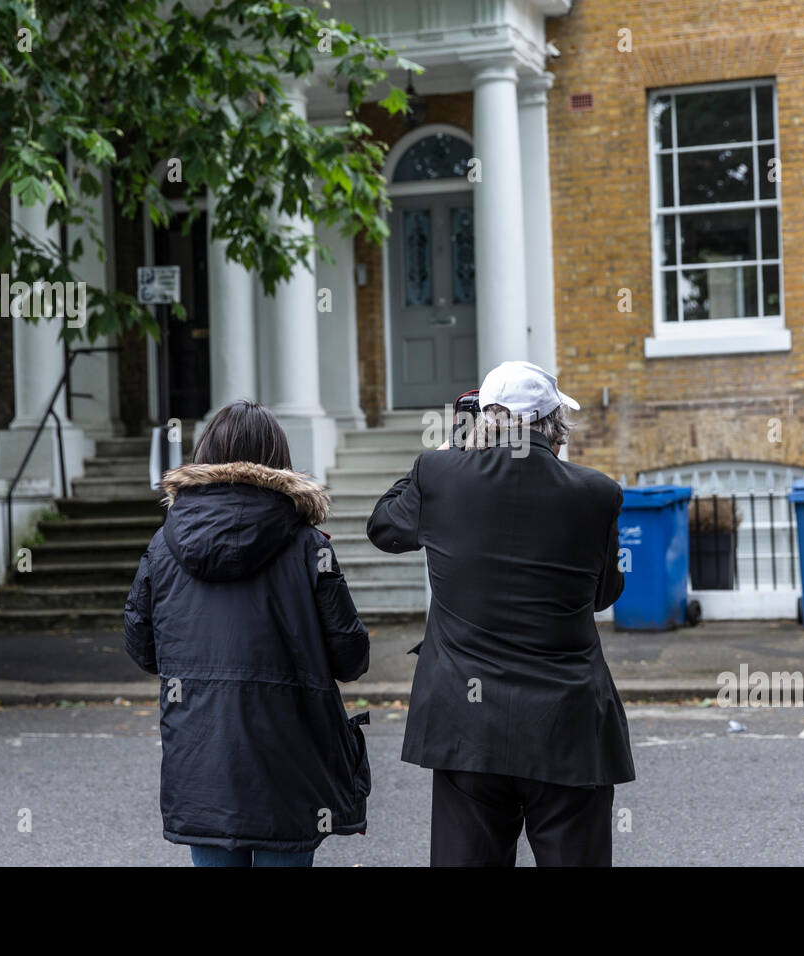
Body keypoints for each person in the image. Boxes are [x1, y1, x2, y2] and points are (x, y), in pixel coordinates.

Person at [367, 360, 634, 867]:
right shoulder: (597, 492)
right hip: (567, 724)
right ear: (554, 426)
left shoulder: (439, 474)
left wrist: (448, 449)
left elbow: (384, 527)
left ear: (483, 421)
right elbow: (603, 595)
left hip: (467, 724)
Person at [124, 400, 371, 867]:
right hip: (291, 759)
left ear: (204, 456)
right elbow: (351, 658)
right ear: (278, 460)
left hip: (202, 753)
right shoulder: (308, 546)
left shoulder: (164, 545)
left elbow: (141, 645)